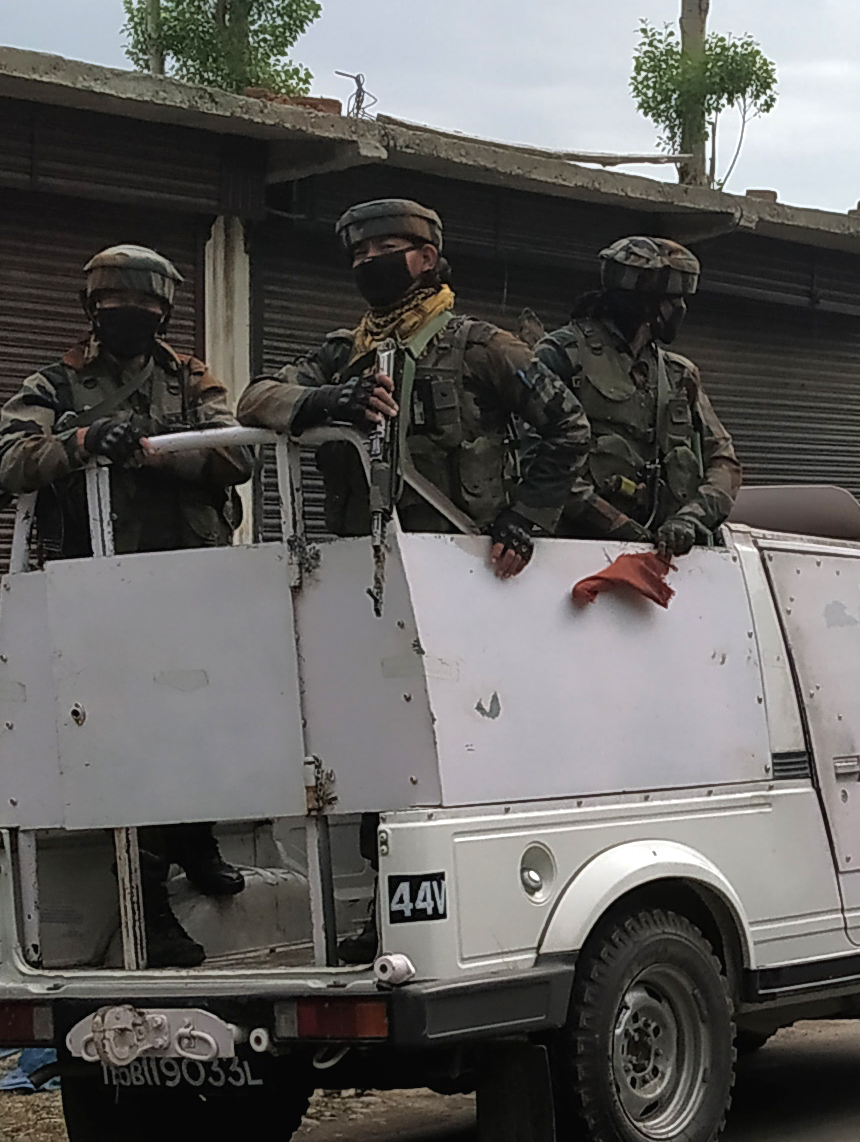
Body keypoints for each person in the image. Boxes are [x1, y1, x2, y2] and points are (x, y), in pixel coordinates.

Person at [0, 244, 254, 967]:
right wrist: (80, 442)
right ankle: (150, 909)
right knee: (131, 749)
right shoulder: (55, 382)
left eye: (144, 304)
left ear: (165, 311)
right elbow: (10, 456)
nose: (130, 314)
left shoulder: (191, 378)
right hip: (99, 593)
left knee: (200, 725)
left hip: (190, 585)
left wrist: (159, 450)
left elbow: (238, 454)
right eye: (115, 303)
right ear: (92, 307)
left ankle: (196, 839)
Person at [238, 198, 590, 577]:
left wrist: (525, 517)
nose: (370, 261)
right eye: (360, 253)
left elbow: (569, 427)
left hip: (467, 561)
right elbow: (254, 399)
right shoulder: (344, 353)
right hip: (362, 561)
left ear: (426, 258)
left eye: (386, 248)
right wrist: (328, 399)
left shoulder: (481, 347)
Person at [539, 237, 740, 555]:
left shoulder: (679, 374)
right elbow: (534, 457)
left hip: (664, 556)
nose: (681, 309)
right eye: (673, 299)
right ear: (644, 303)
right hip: (574, 551)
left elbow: (723, 461)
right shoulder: (563, 355)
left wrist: (691, 519)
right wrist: (616, 525)